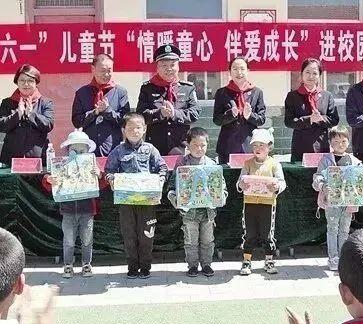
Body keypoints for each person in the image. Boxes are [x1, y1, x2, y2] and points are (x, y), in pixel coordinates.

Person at [105, 112, 168, 279]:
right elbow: (109, 170)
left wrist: (160, 180)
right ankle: (132, 266)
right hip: (126, 201)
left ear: (144, 129)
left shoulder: (151, 149)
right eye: (130, 128)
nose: (134, 131)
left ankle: (145, 266)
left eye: (138, 128)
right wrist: (112, 180)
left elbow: (162, 167)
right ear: (123, 130)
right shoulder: (118, 151)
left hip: (148, 201)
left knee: (147, 233)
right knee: (129, 235)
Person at [166, 127, 227, 278]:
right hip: (189, 212)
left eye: (202, 145)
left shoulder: (212, 164)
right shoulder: (182, 164)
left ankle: (207, 264)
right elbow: (172, 186)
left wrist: (221, 198)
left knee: (208, 240)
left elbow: (222, 188)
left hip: (208, 211)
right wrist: (176, 199)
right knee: (190, 240)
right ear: (187, 144)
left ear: (207, 145)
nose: (199, 149)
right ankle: (192, 265)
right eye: (195, 145)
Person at [44, 130, 101, 278]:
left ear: (88, 151)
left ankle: (86, 264)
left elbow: (102, 185)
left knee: (87, 239)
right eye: (74, 150)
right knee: (68, 240)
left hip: (87, 209)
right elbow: (48, 180)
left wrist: (99, 175)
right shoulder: (62, 163)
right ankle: (68, 265)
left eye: (82, 150)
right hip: (68, 210)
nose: (78, 153)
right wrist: (49, 180)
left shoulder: (92, 164)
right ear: (68, 150)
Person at [312, 125, 363, 271]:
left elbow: (362, 179)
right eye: (336, 142)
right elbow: (317, 177)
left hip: (348, 202)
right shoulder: (326, 160)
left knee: (345, 229)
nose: (340, 144)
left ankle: (343, 258)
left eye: (343, 141)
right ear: (330, 143)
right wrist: (323, 186)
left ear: (348, 142)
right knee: (332, 229)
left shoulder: (355, 161)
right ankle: (333, 258)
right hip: (332, 202)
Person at [236, 128, 287, 276]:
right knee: (249, 232)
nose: (258, 148)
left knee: (267, 233)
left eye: (261, 145)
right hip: (249, 203)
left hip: (268, 203)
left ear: (269, 147)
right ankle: (247, 260)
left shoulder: (274, 164)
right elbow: (240, 181)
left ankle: (269, 260)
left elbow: (282, 182)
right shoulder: (247, 163)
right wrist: (241, 185)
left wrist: (277, 187)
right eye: (255, 145)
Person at [136, 43, 200, 155]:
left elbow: (195, 113)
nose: (169, 69)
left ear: (178, 67)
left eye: (172, 65)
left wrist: (174, 114)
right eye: (164, 65)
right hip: (155, 147)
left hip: (181, 146)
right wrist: (159, 113)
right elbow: (140, 115)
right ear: (157, 68)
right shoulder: (147, 88)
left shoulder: (187, 88)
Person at [71, 54, 130, 156]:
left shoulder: (120, 92)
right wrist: (94, 113)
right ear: (93, 69)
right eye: (103, 70)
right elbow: (76, 121)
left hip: (113, 149)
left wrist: (108, 111)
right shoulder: (82, 93)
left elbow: (125, 121)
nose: (106, 74)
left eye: (109, 70)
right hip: (88, 150)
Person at [0, 64, 55, 165]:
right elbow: (0, 126)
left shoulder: (46, 102)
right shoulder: (7, 102)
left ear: (36, 83)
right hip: (11, 158)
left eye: (30, 81)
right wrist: (18, 114)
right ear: (17, 82)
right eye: (22, 80)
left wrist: (31, 114)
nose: (26, 84)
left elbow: (48, 125)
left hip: (38, 158)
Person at [213, 57, 267, 164]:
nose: (239, 72)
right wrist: (230, 115)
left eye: (242, 69)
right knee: (229, 174)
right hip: (227, 145)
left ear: (248, 71)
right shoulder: (222, 93)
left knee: (250, 174)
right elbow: (217, 120)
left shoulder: (257, 92)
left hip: (250, 145)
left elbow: (261, 119)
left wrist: (250, 116)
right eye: (235, 69)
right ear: (229, 72)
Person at [284, 58, 339, 163]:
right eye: (307, 72)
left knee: (322, 172)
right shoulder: (293, 96)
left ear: (319, 76)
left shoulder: (327, 96)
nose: (311, 76)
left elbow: (334, 119)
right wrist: (309, 119)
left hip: (321, 145)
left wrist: (321, 118)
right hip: (300, 145)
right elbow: (288, 122)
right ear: (302, 74)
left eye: (315, 73)